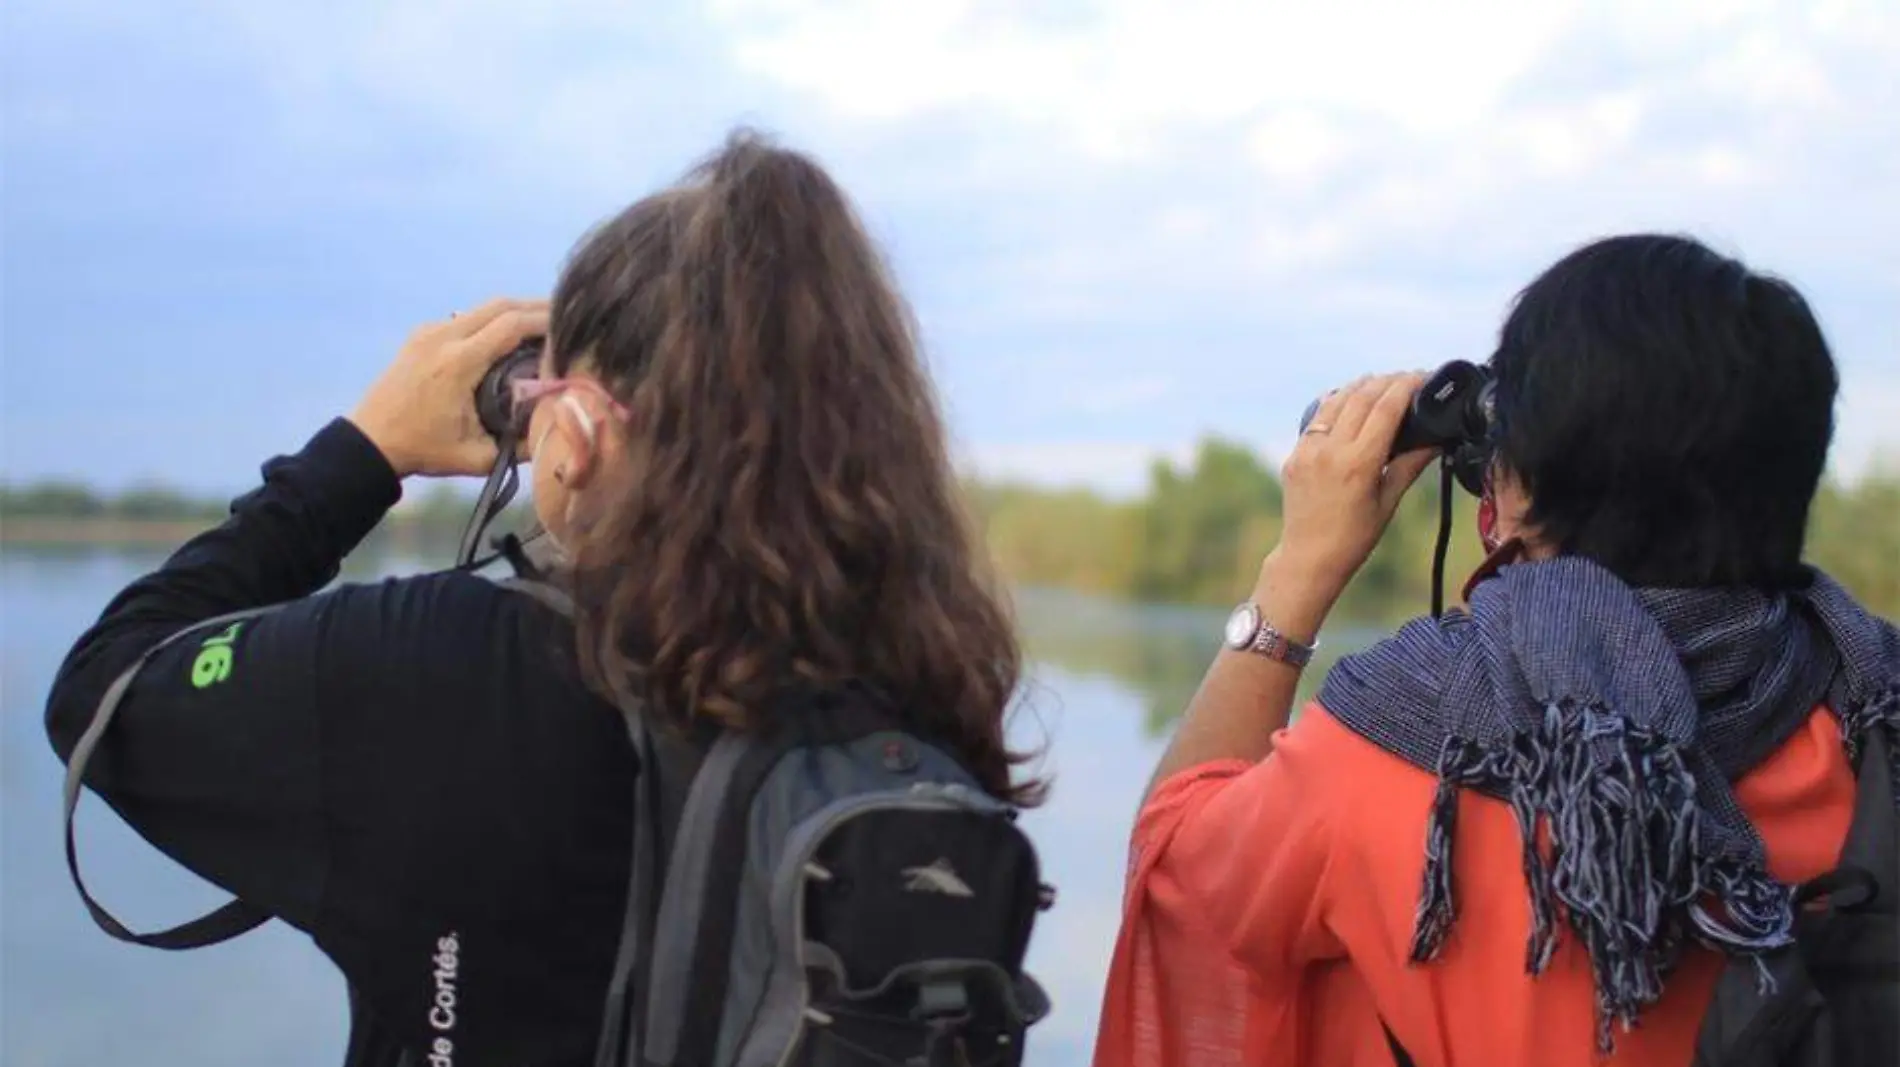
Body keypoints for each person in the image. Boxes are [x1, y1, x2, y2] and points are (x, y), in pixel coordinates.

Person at [45, 131, 1040, 1067]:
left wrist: (361, 453)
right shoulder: (927, 702)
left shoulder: (434, 668)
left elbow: (102, 694)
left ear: (574, 434)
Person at [1091, 234, 1899, 1066]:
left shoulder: (1406, 742)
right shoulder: (1873, 712)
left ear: (1524, 475)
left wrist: (1298, 571)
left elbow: (1177, 880)